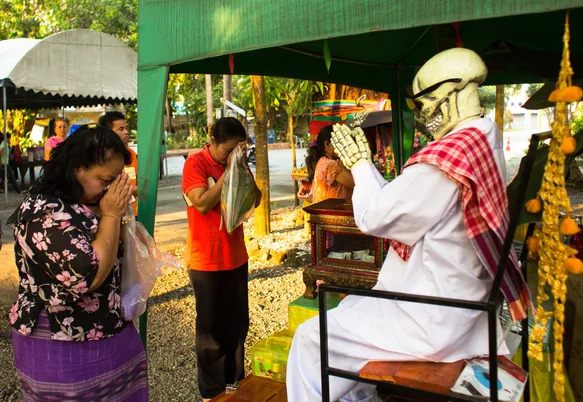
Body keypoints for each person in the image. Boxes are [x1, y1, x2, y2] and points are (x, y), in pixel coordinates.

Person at [287, 48, 531, 402]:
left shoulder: (448, 158)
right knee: (350, 313)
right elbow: (403, 206)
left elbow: (377, 217)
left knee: (311, 338)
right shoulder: (484, 135)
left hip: (431, 317)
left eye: (426, 103)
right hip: (461, 307)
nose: (421, 115)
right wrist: (365, 168)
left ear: (453, 94)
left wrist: (358, 164)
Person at [7, 124, 148, 401]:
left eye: (116, 180)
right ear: (76, 168)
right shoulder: (42, 211)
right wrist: (110, 215)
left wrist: (116, 214)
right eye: (105, 180)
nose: (111, 189)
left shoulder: (86, 199)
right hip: (62, 339)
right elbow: (88, 275)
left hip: (110, 330)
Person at [181, 117, 262, 400]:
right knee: (210, 329)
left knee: (238, 323)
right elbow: (201, 203)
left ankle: (234, 381)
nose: (232, 155)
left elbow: (257, 199)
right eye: (228, 150)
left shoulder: (236, 163)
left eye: (237, 150)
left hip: (236, 256)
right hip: (206, 260)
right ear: (212, 141)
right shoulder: (196, 164)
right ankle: (212, 391)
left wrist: (241, 170)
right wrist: (229, 173)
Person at [99, 111, 139, 217]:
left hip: (133, 212)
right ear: (109, 132)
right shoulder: (100, 156)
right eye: (121, 129)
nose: (126, 132)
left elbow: (138, 181)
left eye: (126, 128)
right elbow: (104, 188)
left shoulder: (131, 153)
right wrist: (136, 190)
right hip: (111, 215)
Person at [305, 125, 354, 204]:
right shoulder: (331, 165)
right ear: (327, 144)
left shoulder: (323, 162)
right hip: (334, 215)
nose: (345, 147)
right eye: (341, 143)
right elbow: (358, 184)